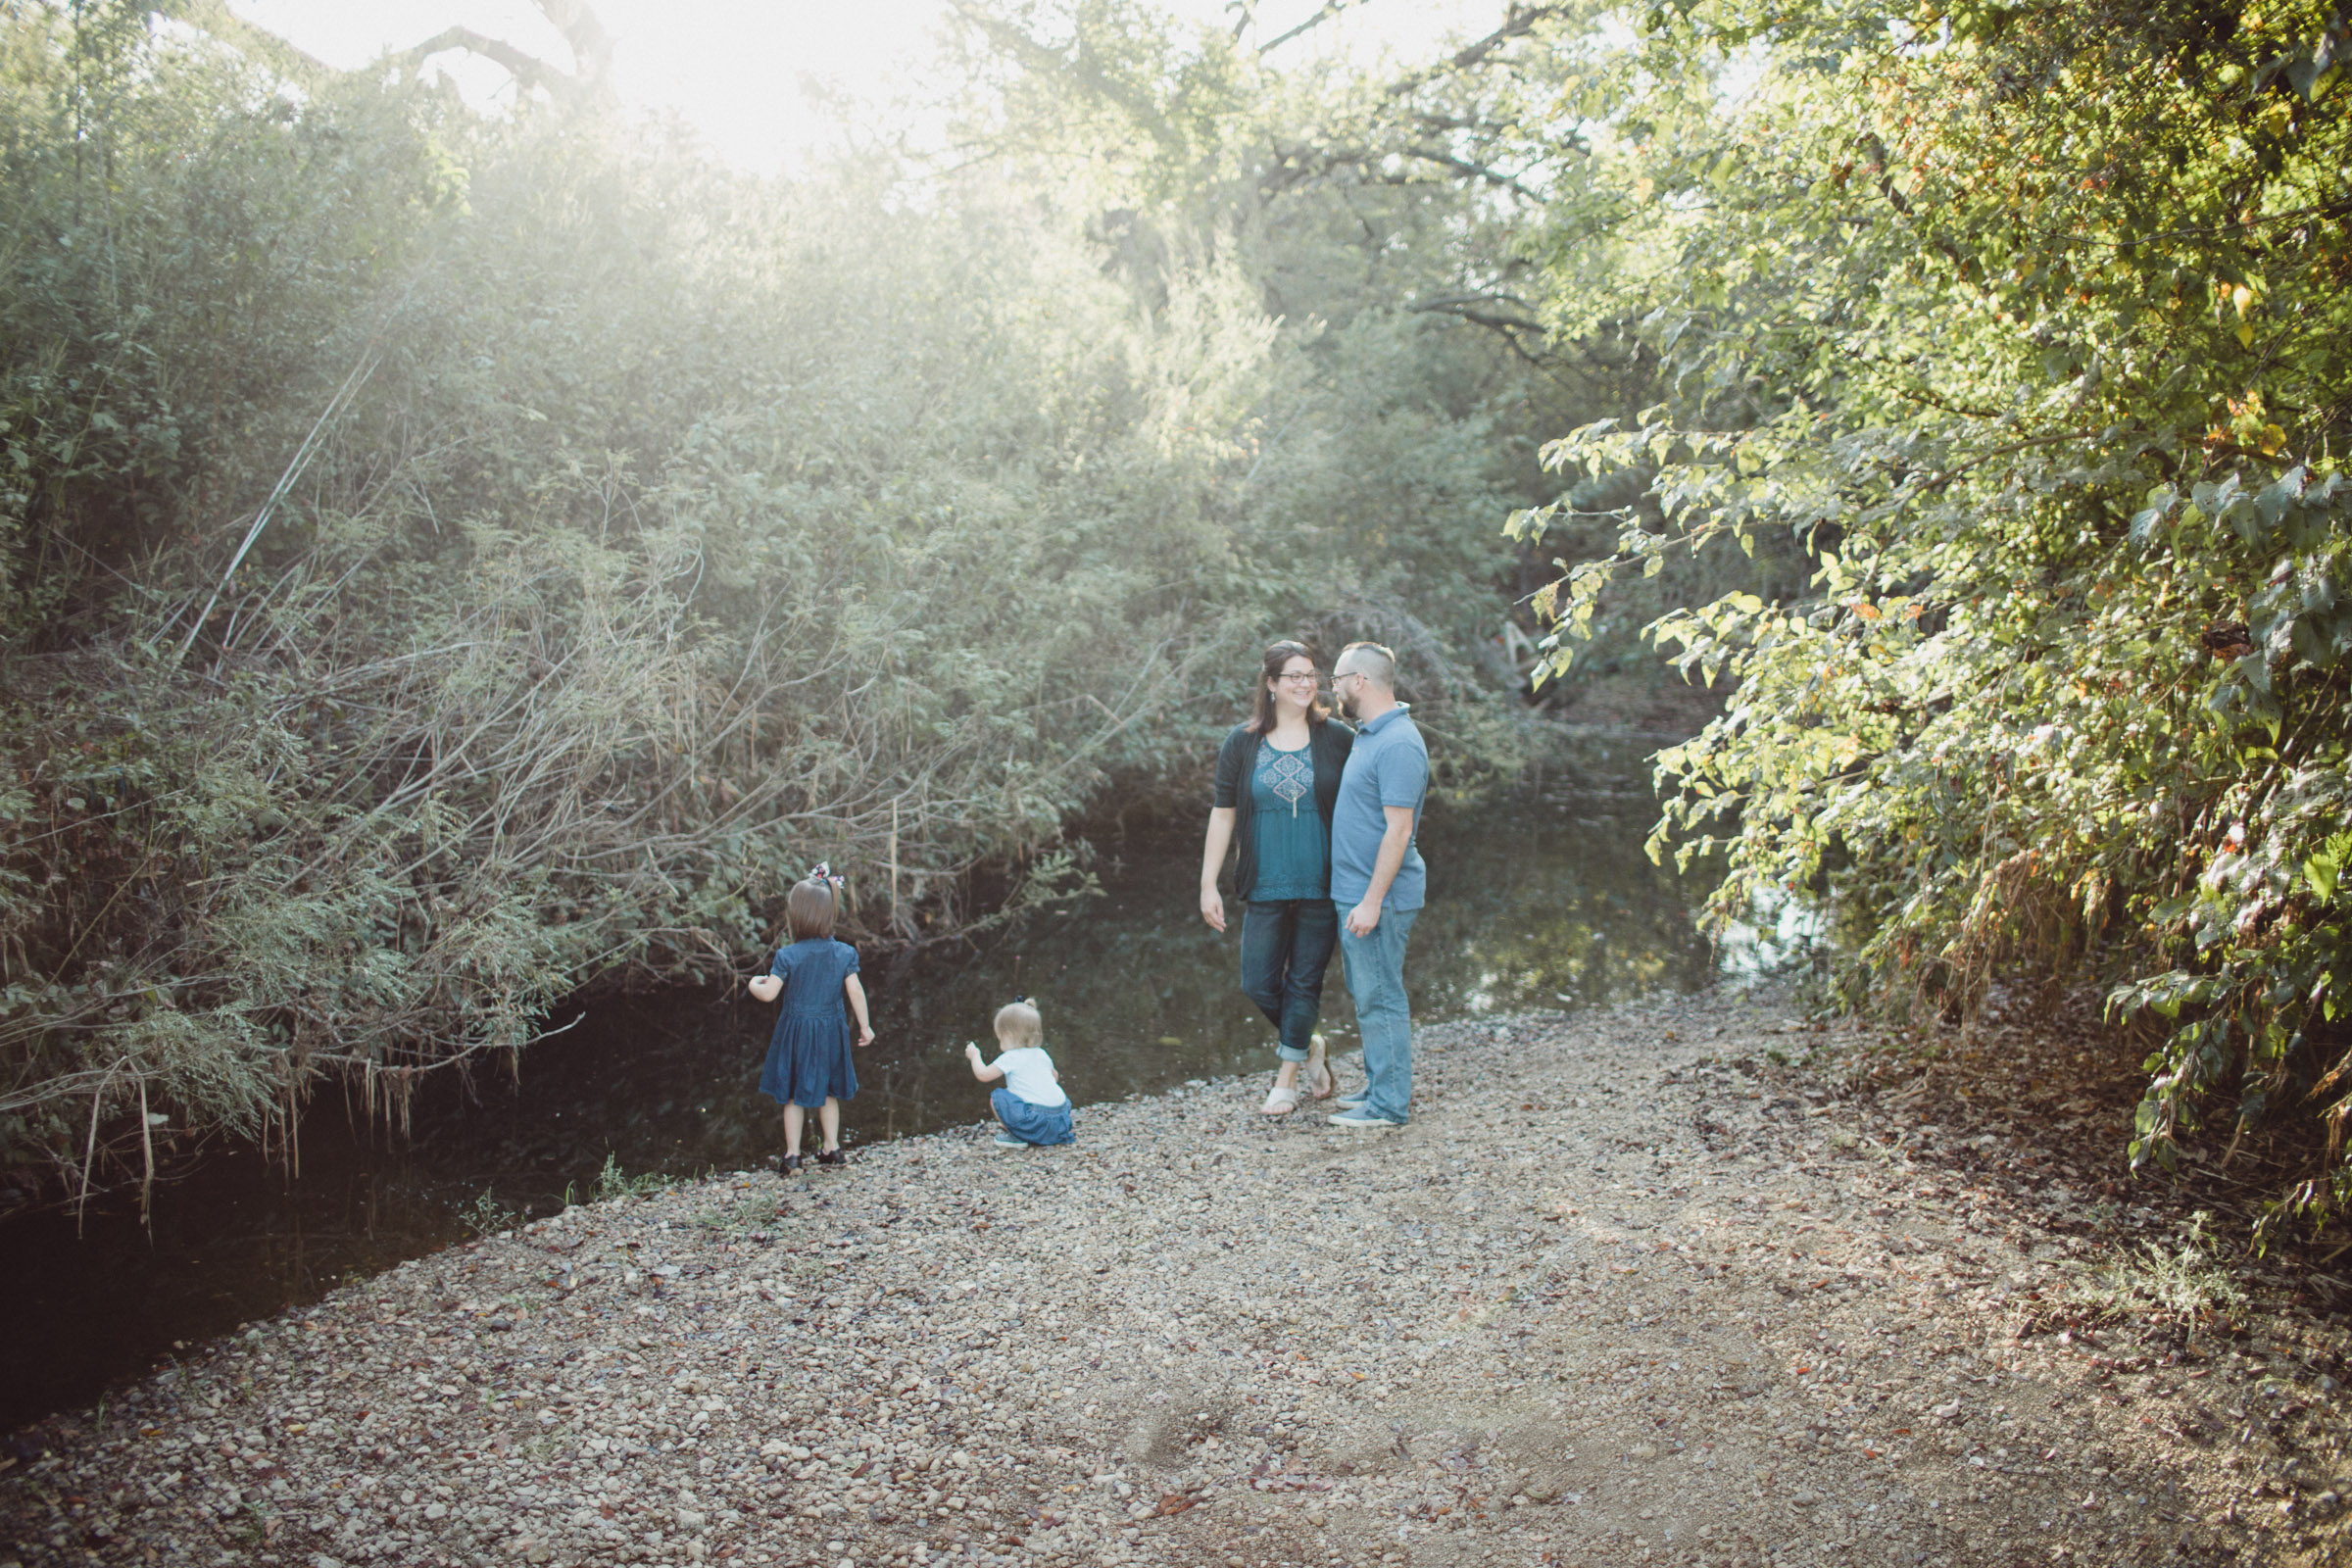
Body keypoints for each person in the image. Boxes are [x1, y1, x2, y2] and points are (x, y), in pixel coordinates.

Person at [1199, 639, 1356, 1116]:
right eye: (1294, 676)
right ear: (1270, 684)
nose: (1306, 684)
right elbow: (1223, 814)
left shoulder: (1338, 738)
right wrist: (1208, 883)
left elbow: (1368, 801)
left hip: (1324, 881)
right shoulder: (1241, 743)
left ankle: (1285, 1081)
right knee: (1259, 983)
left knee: (1305, 981)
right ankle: (1310, 1050)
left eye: (1311, 675)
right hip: (1265, 879)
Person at [1324, 641, 1428, 1129]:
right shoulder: (1370, 734)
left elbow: (1399, 830)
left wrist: (1370, 901)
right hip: (1358, 893)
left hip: (1378, 898)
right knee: (1369, 995)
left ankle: (1388, 1107)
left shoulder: (1399, 743)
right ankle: (1379, 1087)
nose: (1335, 688)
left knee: (1382, 996)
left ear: (1358, 682)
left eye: (1337, 679)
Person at [747, 865, 874, 1172]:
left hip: (796, 1031)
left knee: (793, 1095)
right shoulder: (844, 953)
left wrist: (753, 983)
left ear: (797, 915)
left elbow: (768, 994)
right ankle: (832, 1148)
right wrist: (866, 1026)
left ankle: (792, 1155)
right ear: (830, 912)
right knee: (829, 1092)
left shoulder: (787, 955)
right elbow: (856, 992)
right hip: (831, 1029)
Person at [963, 997, 1074, 1148]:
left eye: (1000, 1038)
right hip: (1061, 1121)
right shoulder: (1041, 1053)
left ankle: (1018, 1136)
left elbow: (983, 1075)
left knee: (997, 1097)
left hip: (1038, 1122)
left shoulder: (1010, 1057)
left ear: (1008, 1035)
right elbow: (1055, 1077)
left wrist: (975, 1056)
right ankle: (1044, 1133)